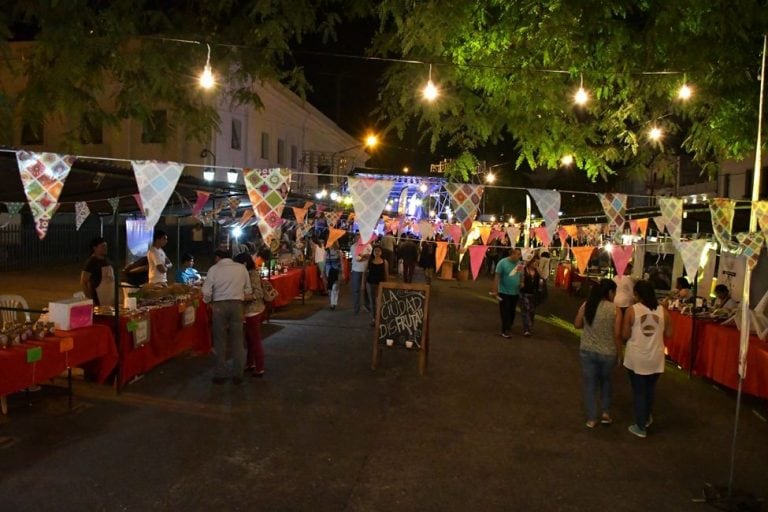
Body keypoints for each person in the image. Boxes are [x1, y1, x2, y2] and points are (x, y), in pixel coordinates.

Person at [622, 280, 673, 438]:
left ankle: (640, 426)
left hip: (637, 357)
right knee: (649, 390)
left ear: (637, 294)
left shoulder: (632, 310)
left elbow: (625, 334)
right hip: (656, 357)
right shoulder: (663, 311)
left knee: (639, 392)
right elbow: (670, 334)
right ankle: (647, 417)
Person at [574, 279, 622, 428]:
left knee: (590, 384)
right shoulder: (615, 309)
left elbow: (577, 324)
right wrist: (619, 354)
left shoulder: (587, 305)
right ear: (609, 292)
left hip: (588, 350)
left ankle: (591, 418)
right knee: (606, 382)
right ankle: (606, 413)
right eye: (614, 292)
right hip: (608, 352)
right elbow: (617, 334)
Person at [202, 249, 253, 385]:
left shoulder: (214, 269)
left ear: (218, 257)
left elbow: (206, 291)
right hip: (237, 305)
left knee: (220, 340)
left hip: (219, 305)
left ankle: (220, 374)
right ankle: (238, 374)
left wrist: (208, 300)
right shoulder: (241, 268)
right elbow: (248, 289)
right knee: (237, 339)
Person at [234, 253, 266, 377]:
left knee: (255, 340)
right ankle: (250, 363)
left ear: (244, 264)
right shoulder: (245, 274)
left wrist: (241, 296)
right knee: (250, 339)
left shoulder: (252, 274)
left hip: (254, 311)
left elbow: (258, 293)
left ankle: (259, 367)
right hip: (248, 312)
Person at [491, 247, 523, 338]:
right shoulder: (502, 263)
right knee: (505, 310)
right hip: (504, 291)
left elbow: (520, 275)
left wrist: (521, 282)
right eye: (517, 254)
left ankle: (509, 325)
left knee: (512, 311)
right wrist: (495, 290)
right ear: (512, 254)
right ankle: (504, 330)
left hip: (515, 292)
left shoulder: (519, 263)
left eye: (519, 254)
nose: (519, 256)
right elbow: (497, 276)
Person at [80, 237, 115, 307]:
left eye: (106, 246)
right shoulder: (91, 262)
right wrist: (90, 299)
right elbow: (83, 282)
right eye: (103, 246)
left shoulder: (107, 260)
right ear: (95, 248)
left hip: (109, 296)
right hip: (98, 297)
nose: (105, 248)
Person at [365, 245, 389, 326]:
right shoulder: (370, 261)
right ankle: (374, 318)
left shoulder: (384, 262)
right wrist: (362, 284)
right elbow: (365, 272)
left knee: (380, 301)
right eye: (375, 251)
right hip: (370, 283)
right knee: (372, 301)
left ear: (381, 252)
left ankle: (380, 317)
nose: (377, 252)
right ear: (373, 252)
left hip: (380, 284)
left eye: (379, 251)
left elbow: (386, 274)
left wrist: (387, 284)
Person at [519, 258, 543, 336]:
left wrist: (538, 269)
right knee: (526, 310)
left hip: (534, 294)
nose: (536, 264)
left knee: (532, 311)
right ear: (530, 262)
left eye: (537, 262)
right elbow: (521, 279)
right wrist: (521, 283)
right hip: (524, 293)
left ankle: (530, 326)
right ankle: (526, 329)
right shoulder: (524, 270)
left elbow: (542, 278)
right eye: (535, 262)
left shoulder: (537, 271)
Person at [350, 236, 372, 315]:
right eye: (358, 238)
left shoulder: (368, 246)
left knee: (366, 290)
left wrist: (362, 256)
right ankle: (356, 308)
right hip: (356, 270)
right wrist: (365, 256)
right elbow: (357, 259)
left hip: (366, 270)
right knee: (356, 290)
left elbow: (370, 257)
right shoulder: (353, 247)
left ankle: (367, 306)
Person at [324, 241, 343, 310]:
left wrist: (342, 273)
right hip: (328, 272)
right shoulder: (326, 252)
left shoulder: (339, 252)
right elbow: (324, 263)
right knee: (330, 288)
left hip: (336, 271)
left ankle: (333, 303)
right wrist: (323, 273)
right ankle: (333, 302)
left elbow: (341, 263)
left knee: (335, 287)